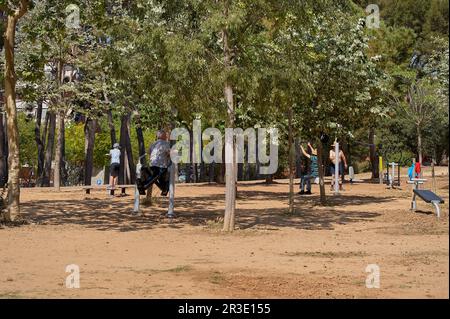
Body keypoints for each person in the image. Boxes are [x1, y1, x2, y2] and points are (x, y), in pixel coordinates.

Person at [138, 130, 171, 196]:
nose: (166, 136)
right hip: (161, 165)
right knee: (157, 177)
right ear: (163, 136)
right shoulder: (166, 143)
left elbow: (149, 152)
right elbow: (168, 154)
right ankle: (143, 186)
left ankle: (164, 190)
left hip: (152, 164)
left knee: (158, 178)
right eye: (165, 135)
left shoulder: (153, 143)